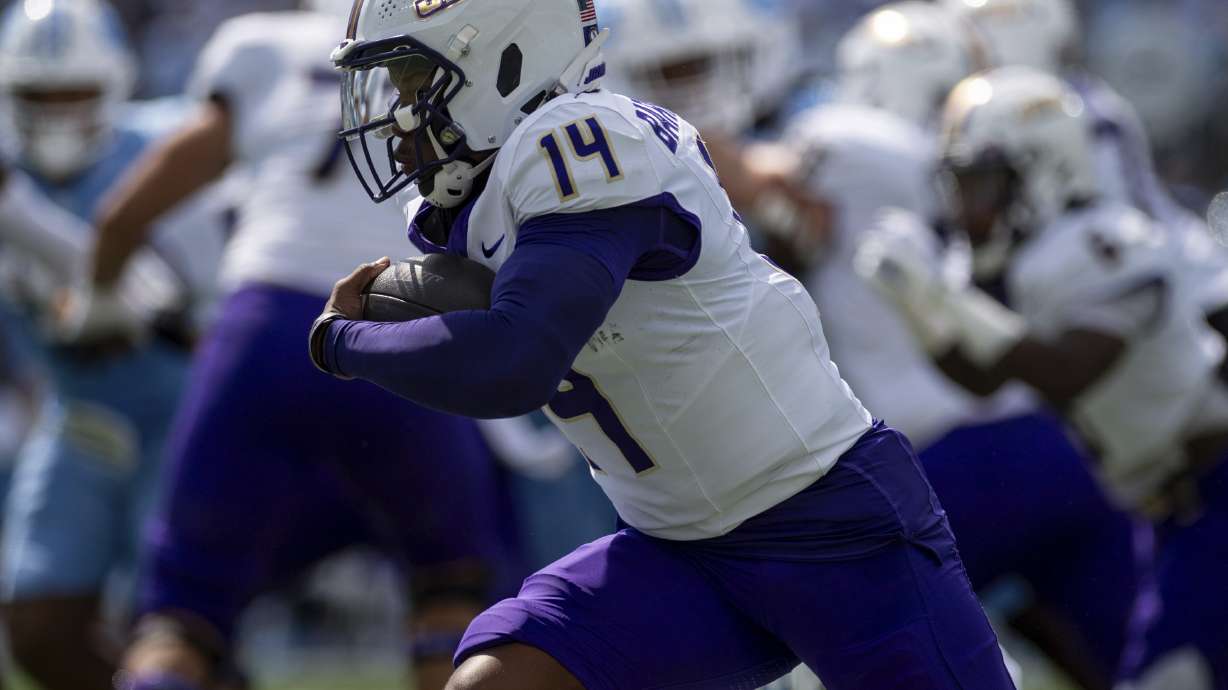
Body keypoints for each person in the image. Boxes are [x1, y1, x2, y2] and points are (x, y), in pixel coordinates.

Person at [311, 0, 1017, 688]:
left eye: (415, 84)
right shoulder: (474, 200)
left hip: (829, 524)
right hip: (677, 551)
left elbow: (513, 363)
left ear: (505, 59)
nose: (399, 119)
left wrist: (342, 344)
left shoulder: (581, 140)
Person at [73, 3, 512, 689]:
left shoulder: (265, 43)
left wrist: (100, 289)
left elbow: (138, 200)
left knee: (180, 614)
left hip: (265, 323)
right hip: (405, 317)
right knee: (450, 586)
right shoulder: (460, 47)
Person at [858, 65, 1228, 690]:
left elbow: (1069, 372)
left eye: (980, 183)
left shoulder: (1104, 240)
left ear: (1043, 168)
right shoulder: (1031, 260)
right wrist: (922, 314)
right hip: (1162, 509)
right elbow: (983, 381)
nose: (965, 207)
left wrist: (957, 306)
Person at [0, 2, 225, 688]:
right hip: (78, 416)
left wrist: (17, 213)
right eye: (40, 94)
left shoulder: (162, 149)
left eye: (74, 91)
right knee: (38, 627)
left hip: (182, 416)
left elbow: (155, 303)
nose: (59, 111)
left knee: (183, 627)